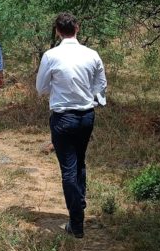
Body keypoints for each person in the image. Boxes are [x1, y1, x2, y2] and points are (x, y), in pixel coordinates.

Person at [36, 12, 107, 238]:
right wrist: (94, 97)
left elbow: (41, 88)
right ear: (77, 28)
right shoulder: (92, 54)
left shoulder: (51, 55)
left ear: (57, 31)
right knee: (80, 161)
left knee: (68, 167)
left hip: (63, 117)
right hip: (86, 115)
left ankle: (76, 222)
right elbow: (101, 84)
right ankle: (79, 202)